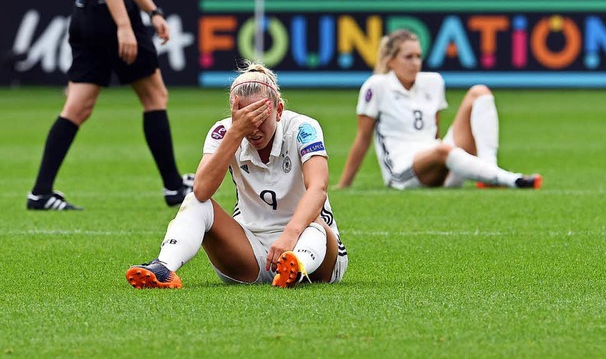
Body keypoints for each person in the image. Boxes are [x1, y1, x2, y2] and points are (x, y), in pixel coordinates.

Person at [126, 62, 348, 289]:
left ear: (278, 110)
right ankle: (164, 267)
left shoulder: (304, 128)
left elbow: (318, 188)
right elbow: (202, 190)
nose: (253, 129)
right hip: (249, 253)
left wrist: (290, 235)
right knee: (195, 201)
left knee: (315, 224)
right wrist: (235, 132)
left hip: (312, 250)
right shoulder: (224, 132)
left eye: (260, 117)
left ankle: (294, 267)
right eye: (244, 118)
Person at [26, 0, 193, 210]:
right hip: (111, 10)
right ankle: (174, 187)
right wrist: (124, 26)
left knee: (77, 108)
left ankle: (40, 193)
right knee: (155, 97)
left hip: (87, 8)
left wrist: (153, 11)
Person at [337, 29, 542, 190]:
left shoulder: (432, 82)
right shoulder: (377, 86)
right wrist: (345, 184)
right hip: (403, 171)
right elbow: (363, 138)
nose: (416, 63)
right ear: (390, 61)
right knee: (442, 149)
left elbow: (434, 130)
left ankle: (489, 170)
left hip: (437, 158)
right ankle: (509, 179)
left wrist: (440, 153)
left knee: (479, 92)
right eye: (408, 57)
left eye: (418, 56)